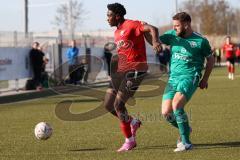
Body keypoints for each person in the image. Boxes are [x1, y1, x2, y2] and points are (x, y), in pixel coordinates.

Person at [146, 12, 214, 152]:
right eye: (174, 26)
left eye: (177, 26)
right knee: (166, 113)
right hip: (173, 78)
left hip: (190, 76)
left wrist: (205, 79)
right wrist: (147, 32)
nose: (174, 28)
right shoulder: (172, 35)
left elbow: (211, 59)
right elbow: (156, 40)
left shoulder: (200, 41)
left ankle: (186, 143)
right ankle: (185, 128)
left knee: (177, 105)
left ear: (186, 24)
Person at [104, 3, 162, 152]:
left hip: (136, 70)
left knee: (118, 105)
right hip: (121, 71)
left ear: (117, 16)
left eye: (109, 15)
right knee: (108, 105)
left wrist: (155, 41)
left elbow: (152, 28)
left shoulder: (132, 24)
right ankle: (133, 122)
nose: (107, 18)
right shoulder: (117, 32)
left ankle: (130, 141)